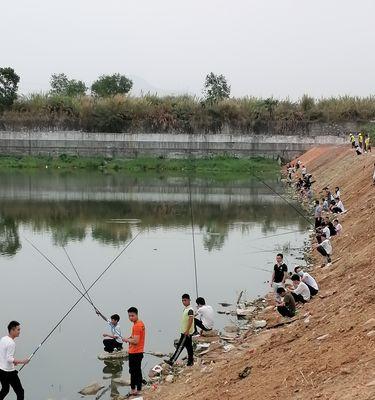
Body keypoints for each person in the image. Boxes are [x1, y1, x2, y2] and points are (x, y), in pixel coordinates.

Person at [0, 321, 29, 400]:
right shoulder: (11, 343)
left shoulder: (3, 339)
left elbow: (4, 356)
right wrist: (23, 361)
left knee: (5, 390)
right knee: (20, 392)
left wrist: (14, 362)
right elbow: (9, 359)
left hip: (1, 371)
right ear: (12, 330)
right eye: (18, 330)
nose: (19, 332)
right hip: (9, 373)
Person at [165, 294, 194, 367]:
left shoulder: (190, 310)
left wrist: (187, 330)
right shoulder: (186, 309)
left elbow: (190, 320)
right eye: (182, 300)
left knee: (180, 347)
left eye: (185, 300)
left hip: (186, 333)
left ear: (189, 300)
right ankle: (190, 362)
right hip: (185, 332)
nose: (184, 302)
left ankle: (172, 361)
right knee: (189, 347)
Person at [123, 307, 145, 397]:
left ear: (137, 314)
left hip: (135, 353)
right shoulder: (140, 323)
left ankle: (133, 390)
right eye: (129, 316)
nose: (131, 318)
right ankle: (138, 389)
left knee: (133, 372)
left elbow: (135, 341)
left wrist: (126, 340)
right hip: (138, 352)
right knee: (137, 371)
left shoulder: (137, 326)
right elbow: (135, 338)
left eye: (132, 315)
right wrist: (129, 338)